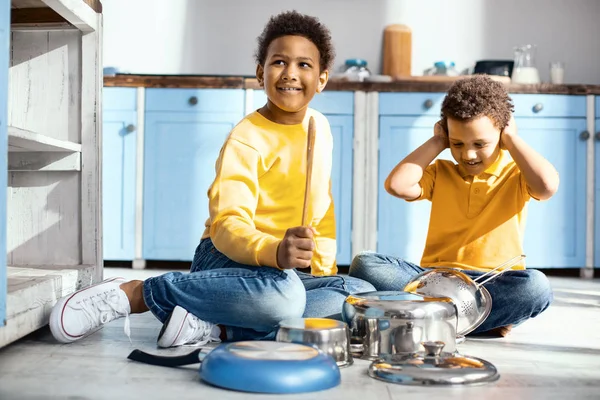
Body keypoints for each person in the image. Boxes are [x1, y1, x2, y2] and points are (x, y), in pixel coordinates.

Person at [49, 10, 375, 347]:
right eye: (279, 62)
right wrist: (275, 251)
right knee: (287, 299)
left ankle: (216, 327)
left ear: (322, 79)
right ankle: (140, 293)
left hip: (282, 271)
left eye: (304, 65)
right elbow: (226, 225)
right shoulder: (247, 137)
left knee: (356, 293)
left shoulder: (319, 127)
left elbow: (322, 205)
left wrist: (320, 271)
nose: (290, 74)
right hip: (226, 256)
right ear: (261, 72)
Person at [349, 75, 558, 337]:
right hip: (435, 280)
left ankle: (435, 317)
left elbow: (547, 186)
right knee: (365, 263)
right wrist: (437, 142)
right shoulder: (441, 172)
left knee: (536, 287)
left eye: (480, 144)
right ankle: (474, 320)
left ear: (502, 135)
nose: (468, 155)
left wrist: (513, 139)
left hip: (490, 282)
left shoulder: (516, 174)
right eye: (457, 144)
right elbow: (397, 185)